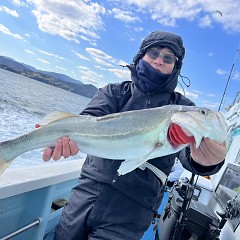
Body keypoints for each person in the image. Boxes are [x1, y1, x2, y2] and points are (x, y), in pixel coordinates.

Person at [39, 30, 227, 240]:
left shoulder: (183, 108)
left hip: (132, 212)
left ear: (176, 67)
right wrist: (61, 136)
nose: (159, 61)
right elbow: (87, 120)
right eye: (153, 53)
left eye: (168, 58)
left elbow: (189, 157)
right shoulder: (114, 92)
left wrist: (206, 163)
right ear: (141, 56)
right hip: (84, 196)